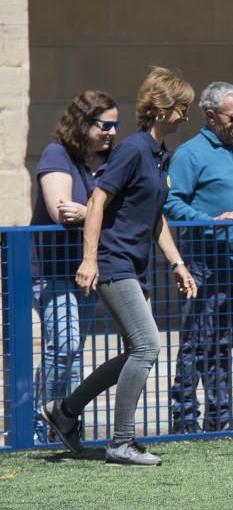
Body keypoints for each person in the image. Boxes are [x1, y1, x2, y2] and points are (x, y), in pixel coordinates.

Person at [42, 67, 199, 466]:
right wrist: (90, 259)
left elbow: (156, 216)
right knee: (148, 346)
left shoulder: (161, 154)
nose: (186, 116)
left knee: (135, 352)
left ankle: (65, 411)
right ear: (163, 110)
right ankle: (121, 442)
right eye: (182, 109)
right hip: (114, 262)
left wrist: (177, 263)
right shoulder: (132, 149)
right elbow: (96, 202)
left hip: (136, 264)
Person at [163, 81, 233, 433]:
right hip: (204, 263)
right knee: (197, 341)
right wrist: (210, 220)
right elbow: (171, 202)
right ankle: (184, 420)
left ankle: (219, 417)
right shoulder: (190, 154)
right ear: (211, 116)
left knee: (224, 341)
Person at [30, 91, 118, 443]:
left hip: (87, 270)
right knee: (63, 346)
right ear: (83, 123)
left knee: (73, 352)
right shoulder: (58, 154)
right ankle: (39, 424)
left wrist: (88, 213)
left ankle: (61, 424)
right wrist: (93, 213)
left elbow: (126, 211)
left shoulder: (113, 163)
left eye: (116, 125)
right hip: (50, 271)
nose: (112, 132)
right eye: (104, 125)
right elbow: (60, 210)